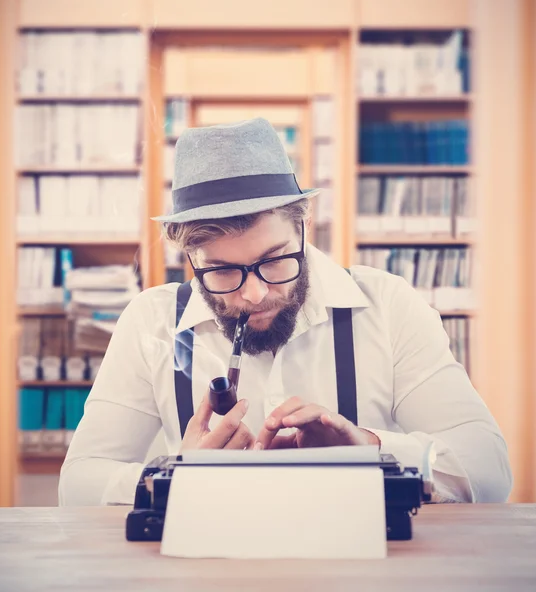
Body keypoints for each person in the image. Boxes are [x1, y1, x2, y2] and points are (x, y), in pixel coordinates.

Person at [58, 117, 512, 506]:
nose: (254, 294)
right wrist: (176, 480)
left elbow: (489, 471)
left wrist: (371, 450)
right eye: (221, 271)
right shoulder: (151, 322)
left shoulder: (388, 306)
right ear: (189, 259)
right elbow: (77, 483)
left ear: (303, 225)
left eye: (275, 260)